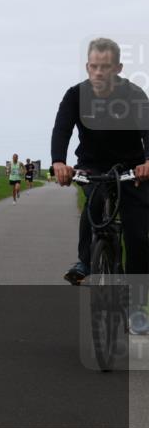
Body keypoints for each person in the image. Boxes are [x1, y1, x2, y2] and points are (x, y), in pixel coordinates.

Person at [53, 38, 149, 332]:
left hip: (132, 170)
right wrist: (59, 161)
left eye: (104, 67)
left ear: (118, 68)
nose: (98, 73)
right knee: (94, 202)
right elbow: (62, 129)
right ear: (87, 66)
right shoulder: (75, 96)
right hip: (93, 165)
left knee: (138, 236)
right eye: (93, 66)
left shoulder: (133, 95)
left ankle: (138, 308)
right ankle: (85, 261)